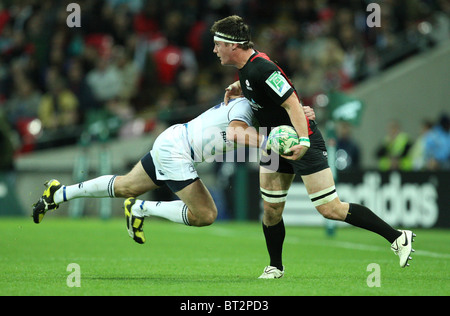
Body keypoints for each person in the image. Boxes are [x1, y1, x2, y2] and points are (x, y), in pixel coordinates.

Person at [210, 15, 415, 278]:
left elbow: (293, 103)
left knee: (330, 208)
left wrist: (304, 140)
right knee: (271, 209)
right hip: (274, 142)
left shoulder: (262, 67)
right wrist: (241, 86)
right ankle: (275, 266)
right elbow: (265, 90)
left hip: (299, 139)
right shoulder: (248, 69)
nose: (214, 50)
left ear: (233, 45)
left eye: (218, 44)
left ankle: (398, 237)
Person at [32, 96, 316, 244]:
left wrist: (301, 113)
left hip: (175, 139)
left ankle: (58, 193)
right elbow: (238, 133)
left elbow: (282, 109)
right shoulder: (245, 108)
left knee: (126, 186)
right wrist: (269, 142)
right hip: (178, 150)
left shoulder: (258, 107)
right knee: (206, 215)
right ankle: (142, 209)